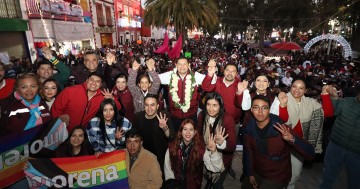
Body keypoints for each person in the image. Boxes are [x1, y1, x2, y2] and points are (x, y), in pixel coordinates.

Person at [270, 78, 333, 189]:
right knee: (276, 172)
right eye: (294, 86)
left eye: (301, 88)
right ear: (290, 87)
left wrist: (325, 94)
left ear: (306, 90)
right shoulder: (282, 98)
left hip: (298, 143)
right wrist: (283, 105)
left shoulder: (310, 103)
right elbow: (280, 120)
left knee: (295, 174)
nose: (297, 90)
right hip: (280, 141)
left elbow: (327, 112)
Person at [242, 95, 315, 189]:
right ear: (251, 110)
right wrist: (250, 173)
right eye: (256, 108)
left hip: (277, 175)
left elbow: (310, 153)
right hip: (257, 171)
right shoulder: (249, 129)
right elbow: (248, 153)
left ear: (269, 110)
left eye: (264, 108)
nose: (260, 112)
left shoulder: (281, 129)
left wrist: (292, 139)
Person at [164, 119, 224, 189]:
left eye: (191, 129)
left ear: (195, 132)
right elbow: (168, 170)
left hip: (193, 185)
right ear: (180, 132)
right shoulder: (172, 148)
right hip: (175, 185)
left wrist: (213, 151)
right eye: (185, 129)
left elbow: (216, 169)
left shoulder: (201, 149)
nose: (188, 132)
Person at [51, 72, 121, 132]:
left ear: (101, 85)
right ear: (87, 80)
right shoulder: (70, 91)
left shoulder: (102, 96)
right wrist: (58, 125)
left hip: (83, 134)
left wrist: (112, 98)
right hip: (62, 131)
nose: (94, 83)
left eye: (98, 81)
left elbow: (118, 107)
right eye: (92, 80)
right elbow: (56, 109)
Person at [320, 87, 360, 189]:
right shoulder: (346, 101)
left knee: (355, 182)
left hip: (356, 152)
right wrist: (332, 97)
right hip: (336, 145)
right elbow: (329, 112)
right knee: (328, 177)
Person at [197, 92, 236, 188]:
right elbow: (199, 136)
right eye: (208, 105)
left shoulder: (227, 119)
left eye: (214, 105)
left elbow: (232, 146)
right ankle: (210, 181)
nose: (210, 109)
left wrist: (222, 143)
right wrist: (202, 151)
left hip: (222, 158)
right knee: (208, 174)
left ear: (220, 106)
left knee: (218, 184)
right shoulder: (202, 115)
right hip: (206, 153)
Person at [158, 57, 208, 131]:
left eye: (184, 64)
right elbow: (154, 79)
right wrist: (151, 70)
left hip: (191, 116)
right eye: (179, 64)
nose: (182, 66)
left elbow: (210, 83)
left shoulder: (195, 76)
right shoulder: (170, 75)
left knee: (191, 138)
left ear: (188, 65)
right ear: (176, 65)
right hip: (175, 116)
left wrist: (210, 74)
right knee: (176, 138)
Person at [133, 94, 175, 175]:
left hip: (159, 156)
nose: (149, 108)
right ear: (143, 106)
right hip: (143, 156)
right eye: (147, 105)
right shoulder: (138, 117)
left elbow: (171, 137)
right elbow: (134, 136)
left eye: (152, 105)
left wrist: (165, 128)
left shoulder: (164, 116)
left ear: (157, 106)